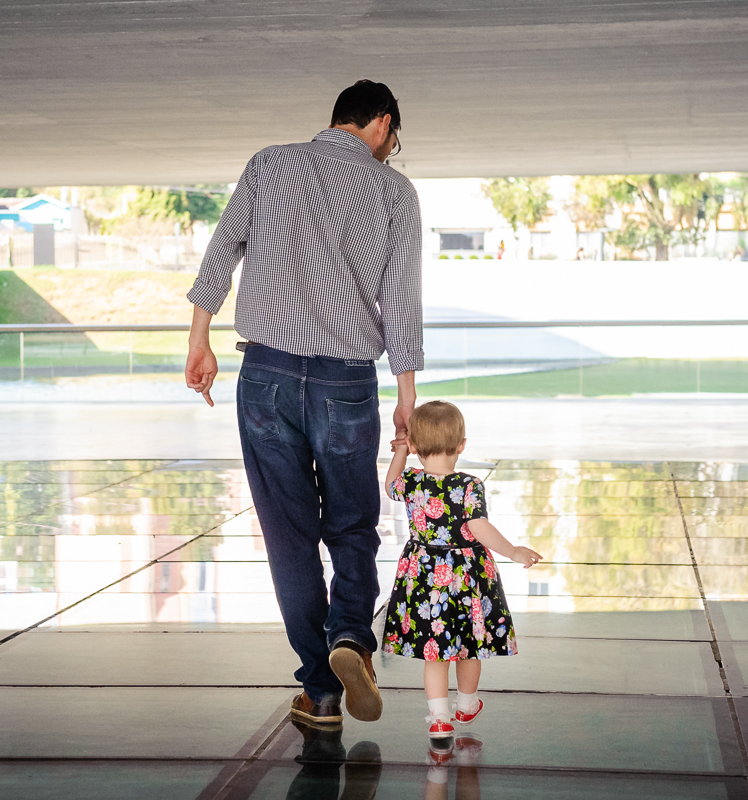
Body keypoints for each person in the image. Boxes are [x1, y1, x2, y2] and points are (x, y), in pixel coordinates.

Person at [184, 79, 423, 729]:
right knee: (351, 522)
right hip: (345, 381)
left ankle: (319, 691)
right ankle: (350, 637)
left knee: (289, 537)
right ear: (380, 122)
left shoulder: (270, 163)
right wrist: (405, 397)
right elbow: (400, 302)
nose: (391, 150)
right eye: (392, 139)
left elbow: (222, 249)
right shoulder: (392, 191)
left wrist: (199, 340)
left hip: (265, 373)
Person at [381, 401, 542, 739]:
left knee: (434, 651)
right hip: (468, 576)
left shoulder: (411, 482)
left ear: (413, 446)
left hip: (424, 575)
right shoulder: (469, 486)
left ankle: (439, 718)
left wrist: (400, 454)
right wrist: (512, 550)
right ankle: (466, 705)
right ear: (461, 445)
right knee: (469, 645)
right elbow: (478, 526)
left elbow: (390, 484)